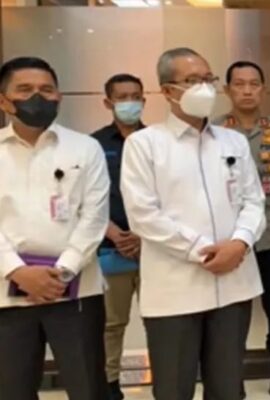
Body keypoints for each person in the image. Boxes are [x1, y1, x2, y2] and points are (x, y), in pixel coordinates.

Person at [120, 47, 266, 400]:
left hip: (234, 284)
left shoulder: (233, 141)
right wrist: (203, 251)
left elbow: (254, 201)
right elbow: (143, 214)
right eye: (191, 80)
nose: (204, 88)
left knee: (228, 387)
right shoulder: (144, 144)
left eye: (208, 79)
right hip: (174, 290)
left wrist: (239, 243)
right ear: (167, 90)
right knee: (173, 388)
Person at [0, 56, 110, 399]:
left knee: (88, 387)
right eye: (25, 89)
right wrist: (17, 271)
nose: (38, 97)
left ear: (59, 97)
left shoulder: (85, 148)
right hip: (7, 293)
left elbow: (95, 218)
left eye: (47, 90)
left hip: (76, 291)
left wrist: (63, 272)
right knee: (11, 389)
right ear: (4, 100)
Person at [215, 60, 270, 400]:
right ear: (227, 90)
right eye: (239, 84)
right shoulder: (213, 131)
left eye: (254, 84)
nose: (247, 90)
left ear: (263, 89)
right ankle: (229, 376)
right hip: (228, 237)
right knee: (230, 314)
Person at [91, 73, 147, 400]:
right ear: (107, 102)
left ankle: (171, 381)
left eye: (135, 96)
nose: (130, 102)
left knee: (164, 321)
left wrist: (143, 236)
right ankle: (110, 386)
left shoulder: (158, 141)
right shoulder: (93, 145)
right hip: (111, 248)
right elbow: (85, 198)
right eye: (122, 97)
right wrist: (114, 232)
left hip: (155, 248)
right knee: (112, 324)